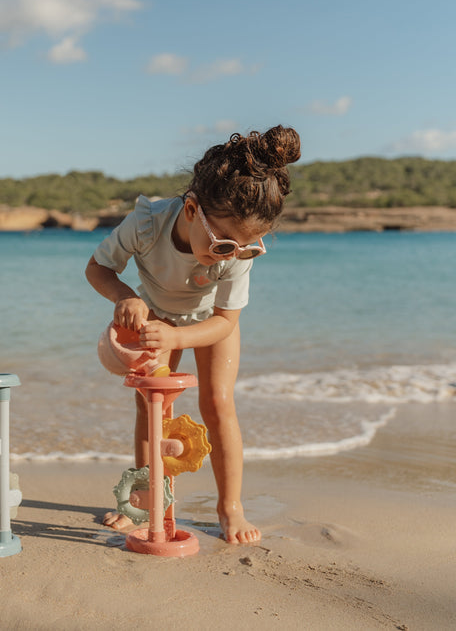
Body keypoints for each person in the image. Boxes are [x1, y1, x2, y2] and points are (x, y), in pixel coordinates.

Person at [85, 126, 300, 544]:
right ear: (190, 211)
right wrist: (125, 297)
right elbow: (97, 268)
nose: (232, 255)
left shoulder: (239, 248)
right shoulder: (146, 224)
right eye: (222, 246)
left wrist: (178, 338)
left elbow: (225, 320)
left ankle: (230, 507)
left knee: (218, 402)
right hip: (155, 312)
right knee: (152, 407)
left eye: (248, 248)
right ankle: (150, 501)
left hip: (210, 322)